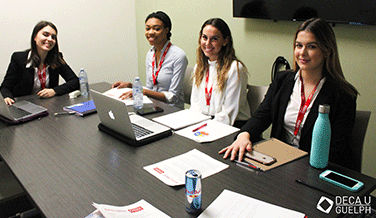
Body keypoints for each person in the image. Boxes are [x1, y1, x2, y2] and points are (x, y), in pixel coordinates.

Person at [219, 18, 358, 169]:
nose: (302, 53)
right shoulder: (283, 80)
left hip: (313, 168)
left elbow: (336, 150)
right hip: (278, 163)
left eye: (311, 46)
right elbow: (262, 115)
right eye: (298, 46)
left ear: (326, 51)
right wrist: (243, 135)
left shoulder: (343, 95)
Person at [112, 11, 188, 109]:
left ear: (166, 30)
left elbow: (172, 97)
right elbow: (150, 88)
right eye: (148, 28)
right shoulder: (150, 53)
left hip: (171, 110)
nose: (150, 32)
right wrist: (131, 86)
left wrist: (143, 91)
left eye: (156, 29)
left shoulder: (178, 56)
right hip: (152, 106)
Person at [0, 21, 79, 105]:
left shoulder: (56, 58)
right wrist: (7, 97)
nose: (49, 39)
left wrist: (54, 91)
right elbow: (5, 88)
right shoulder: (19, 58)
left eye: (53, 37)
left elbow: (75, 81)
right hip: (24, 105)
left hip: (48, 106)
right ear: (35, 37)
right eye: (45, 35)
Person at [189, 18, 250, 127]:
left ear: (225, 41)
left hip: (232, 125)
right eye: (204, 38)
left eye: (214, 39)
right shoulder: (199, 66)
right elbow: (195, 105)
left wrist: (205, 128)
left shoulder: (235, 68)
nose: (207, 43)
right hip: (206, 122)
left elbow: (228, 114)